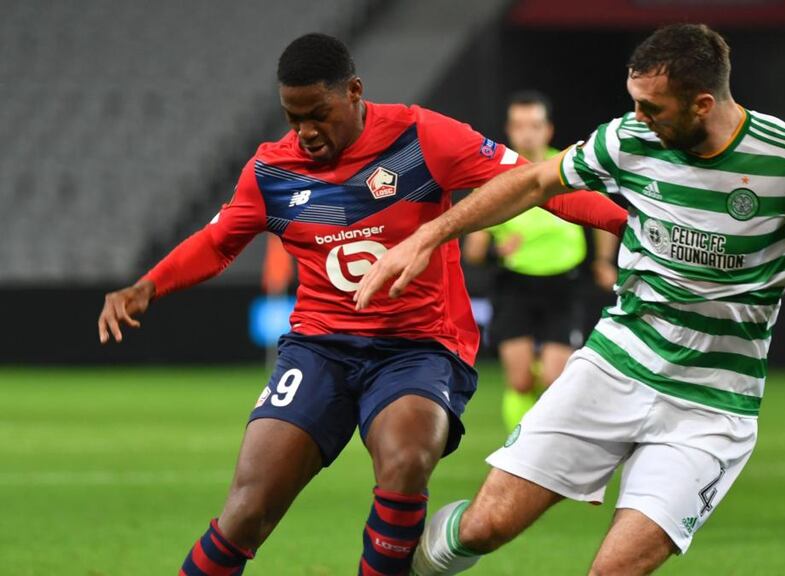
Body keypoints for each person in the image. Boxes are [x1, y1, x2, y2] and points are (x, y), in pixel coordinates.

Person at [355, 24, 785, 575]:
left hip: (712, 404)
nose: (637, 118)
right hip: (615, 368)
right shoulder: (630, 139)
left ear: (702, 104)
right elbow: (535, 183)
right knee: (483, 527)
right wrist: (428, 236)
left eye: (652, 108)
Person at [96, 33, 627, 576]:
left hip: (419, 346)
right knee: (247, 509)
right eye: (292, 117)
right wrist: (149, 286)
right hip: (319, 348)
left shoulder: (423, 137)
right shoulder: (271, 171)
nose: (305, 132)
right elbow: (217, 242)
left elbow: (538, 184)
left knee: (406, 461)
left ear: (353, 91)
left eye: (318, 115)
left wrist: (631, 226)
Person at [462, 90, 618, 432]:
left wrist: (604, 261)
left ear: (548, 130)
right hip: (515, 287)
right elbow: (472, 250)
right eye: (519, 126)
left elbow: (605, 216)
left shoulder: (568, 169)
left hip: (563, 286)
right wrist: (495, 252)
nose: (527, 133)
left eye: (534, 125)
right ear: (509, 130)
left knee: (554, 380)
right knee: (518, 382)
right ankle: (519, 449)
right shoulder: (495, 178)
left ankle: (543, 445)